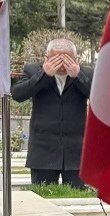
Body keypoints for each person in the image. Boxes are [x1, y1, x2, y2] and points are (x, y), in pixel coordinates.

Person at [12, 38, 93, 187]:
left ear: (76, 59)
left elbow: (99, 98)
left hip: (76, 152)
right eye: (57, 60)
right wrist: (44, 74)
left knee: (76, 197)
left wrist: (78, 76)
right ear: (46, 58)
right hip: (43, 151)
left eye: (67, 60)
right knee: (42, 197)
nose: (62, 66)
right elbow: (18, 94)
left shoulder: (87, 73)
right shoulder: (32, 70)